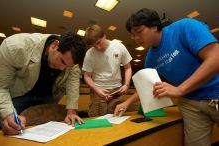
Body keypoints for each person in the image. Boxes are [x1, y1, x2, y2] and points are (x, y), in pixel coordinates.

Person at [114, 8, 219, 146]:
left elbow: (215, 58)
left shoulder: (185, 27)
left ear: (154, 26)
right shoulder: (151, 58)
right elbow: (147, 87)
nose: (135, 38)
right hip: (190, 103)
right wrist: (127, 103)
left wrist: (180, 89)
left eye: (139, 32)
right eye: (132, 35)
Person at [0, 32, 86, 135]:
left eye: (67, 66)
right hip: (18, 95)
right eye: (62, 61)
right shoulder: (14, 47)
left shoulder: (71, 60)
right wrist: (8, 114)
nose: (62, 68)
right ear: (55, 45)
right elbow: (1, 87)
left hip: (47, 96)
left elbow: (73, 83)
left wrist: (71, 110)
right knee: (8, 127)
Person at [82, 24, 132, 117]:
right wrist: (97, 90)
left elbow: (128, 67)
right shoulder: (89, 54)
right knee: (97, 118)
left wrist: (126, 84)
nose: (98, 47)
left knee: (116, 117)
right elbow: (87, 76)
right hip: (98, 90)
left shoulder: (119, 47)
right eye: (94, 45)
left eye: (99, 42)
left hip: (117, 90)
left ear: (104, 35)